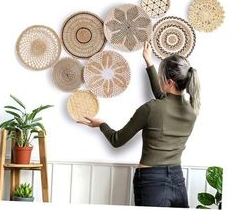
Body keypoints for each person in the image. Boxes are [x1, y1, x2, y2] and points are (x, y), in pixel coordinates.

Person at [78, 41, 200, 207]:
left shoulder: (151, 108)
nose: (159, 78)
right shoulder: (192, 110)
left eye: (161, 75)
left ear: (170, 82)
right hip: (178, 180)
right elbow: (163, 97)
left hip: (152, 182)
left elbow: (116, 140)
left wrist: (101, 124)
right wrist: (149, 62)